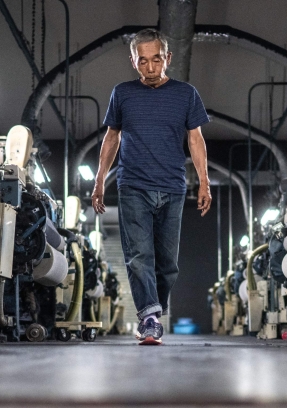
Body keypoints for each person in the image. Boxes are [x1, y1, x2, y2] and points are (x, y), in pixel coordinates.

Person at [92, 28, 212, 346]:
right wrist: (99, 180)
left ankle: (153, 313)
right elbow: (112, 137)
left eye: (156, 59)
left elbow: (195, 138)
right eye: (142, 61)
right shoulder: (122, 93)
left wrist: (204, 182)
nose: (150, 67)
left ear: (167, 58)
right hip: (133, 186)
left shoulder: (186, 94)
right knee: (138, 256)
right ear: (134, 61)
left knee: (167, 263)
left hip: (173, 187)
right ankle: (149, 318)